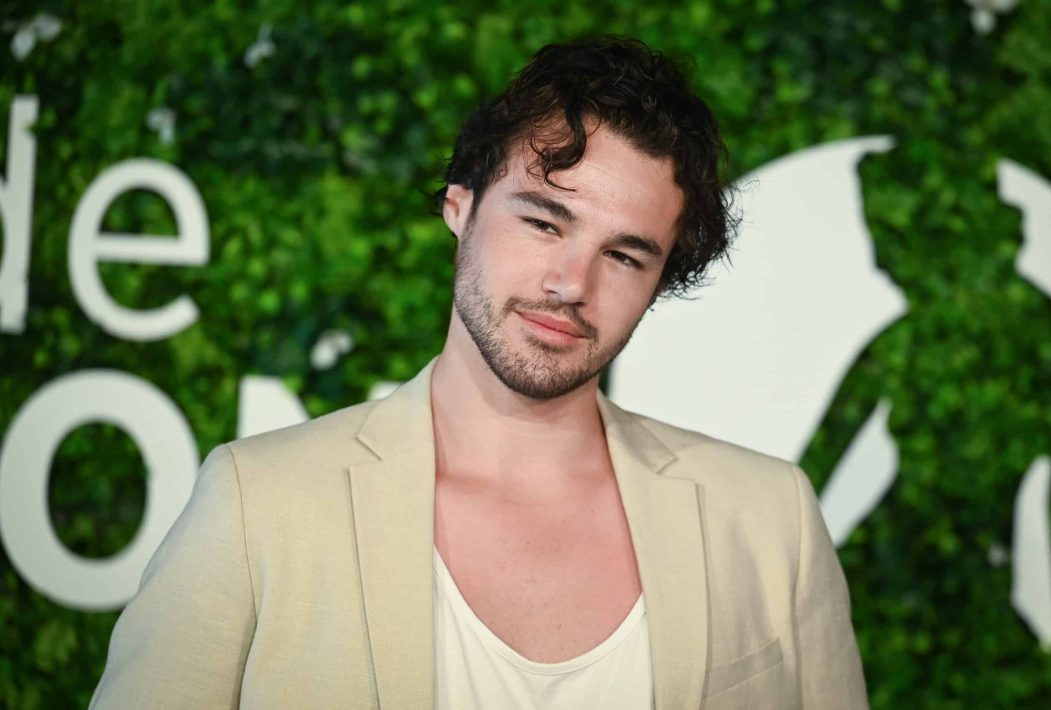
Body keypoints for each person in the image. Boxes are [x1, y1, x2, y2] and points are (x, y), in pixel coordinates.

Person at [90, 36, 868, 709]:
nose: (571, 283)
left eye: (625, 255)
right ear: (459, 207)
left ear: (660, 280)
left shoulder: (770, 520)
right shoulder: (256, 504)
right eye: (544, 221)